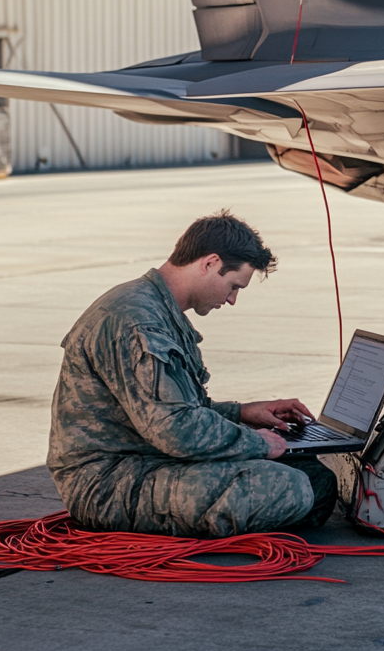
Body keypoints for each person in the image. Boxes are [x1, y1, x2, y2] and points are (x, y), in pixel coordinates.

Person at [47, 210, 338, 537]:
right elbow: (177, 432)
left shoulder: (154, 307)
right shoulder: (137, 321)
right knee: (290, 487)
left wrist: (241, 413)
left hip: (146, 459)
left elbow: (173, 412)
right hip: (109, 484)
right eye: (233, 286)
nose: (232, 300)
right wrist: (257, 443)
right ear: (211, 263)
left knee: (317, 479)